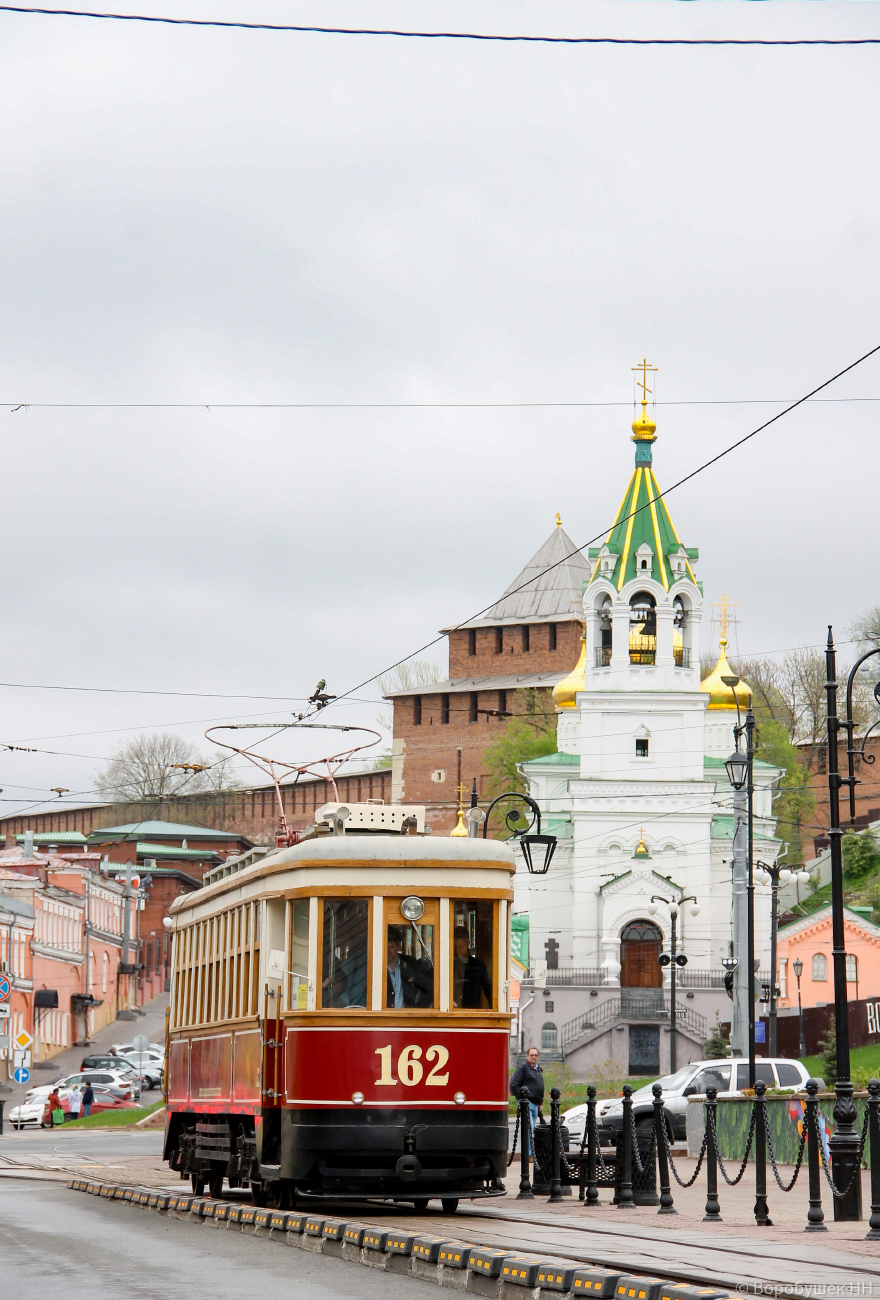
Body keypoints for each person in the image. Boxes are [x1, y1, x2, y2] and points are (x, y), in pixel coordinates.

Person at [509, 1046, 544, 1157]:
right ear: (527, 1056)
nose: (534, 1057)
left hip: (535, 1104)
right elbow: (514, 1085)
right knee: (529, 1129)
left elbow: (539, 1086)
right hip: (527, 1103)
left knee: (532, 1130)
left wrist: (541, 1102)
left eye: (536, 1055)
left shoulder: (538, 1069)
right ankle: (529, 1155)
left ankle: (531, 1153)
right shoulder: (523, 1068)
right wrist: (522, 1098)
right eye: (531, 1055)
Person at [386, 927, 434, 1008]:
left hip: (407, 1014)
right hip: (382, 1015)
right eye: (384, 947)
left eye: (391, 947)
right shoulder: (374, 966)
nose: (387, 951)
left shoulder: (410, 963)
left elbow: (428, 987)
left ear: (398, 947)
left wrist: (420, 1008)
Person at [452, 926, 492, 1008]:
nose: (457, 951)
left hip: (471, 1012)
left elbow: (490, 991)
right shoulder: (446, 965)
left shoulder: (478, 967)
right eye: (454, 947)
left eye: (460, 947)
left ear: (468, 944)